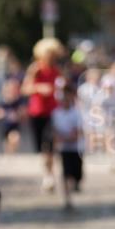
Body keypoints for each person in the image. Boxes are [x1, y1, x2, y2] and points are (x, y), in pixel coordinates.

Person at [22, 38, 62, 192]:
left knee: (50, 145)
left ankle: (49, 175)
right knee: (41, 147)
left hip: (53, 112)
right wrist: (39, 88)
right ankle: (47, 172)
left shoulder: (57, 70)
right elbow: (25, 89)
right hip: (37, 112)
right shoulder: (35, 69)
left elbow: (62, 87)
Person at [51, 83, 84, 211]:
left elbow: (78, 132)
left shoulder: (76, 113)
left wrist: (68, 138)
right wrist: (59, 140)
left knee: (77, 174)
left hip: (76, 148)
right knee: (65, 173)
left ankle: (74, 186)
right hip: (64, 148)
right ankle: (67, 198)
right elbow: (54, 131)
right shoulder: (56, 113)